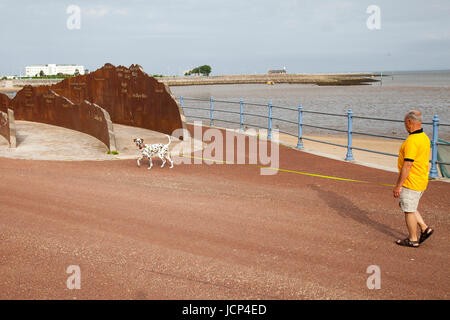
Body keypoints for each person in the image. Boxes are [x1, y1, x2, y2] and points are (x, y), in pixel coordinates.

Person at [394, 110, 434, 247]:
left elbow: (408, 164)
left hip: (411, 181)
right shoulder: (424, 137)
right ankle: (424, 228)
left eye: (405, 123)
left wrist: (398, 185)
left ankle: (413, 239)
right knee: (408, 205)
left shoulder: (412, 141)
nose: (405, 126)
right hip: (421, 179)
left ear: (410, 122)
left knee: (409, 210)